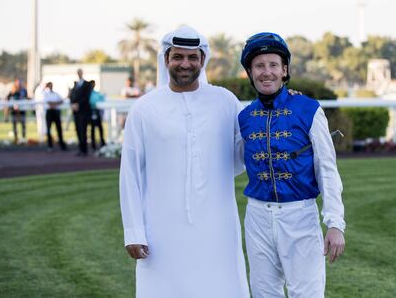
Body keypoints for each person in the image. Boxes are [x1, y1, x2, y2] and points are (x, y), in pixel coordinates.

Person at [119, 26, 249, 298]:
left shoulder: (225, 101)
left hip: (217, 224)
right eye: (177, 57)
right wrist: (133, 231)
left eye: (192, 57)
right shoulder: (144, 108)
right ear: (166, 60)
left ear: (203, 60)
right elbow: (130, 173)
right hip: (161, 227)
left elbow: (245, 152)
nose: (185, 64)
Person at [238, 32, 346, 298]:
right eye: (259, 66)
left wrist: (335, 223)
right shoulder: (244, 117)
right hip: (257, 218)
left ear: (284, 69)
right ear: (250, 72)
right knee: (264, 293)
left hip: (300, 216)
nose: (267, 72)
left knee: (306, 294)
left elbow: (327, 169)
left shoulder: (308, 109)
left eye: (273, 65)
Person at [69, 69, 92, 156]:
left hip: (84, 111)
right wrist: (72, 104)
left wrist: (78, 104)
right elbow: (72, 96)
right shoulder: (75, 84)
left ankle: (84, 150)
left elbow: (87, 97)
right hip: (76, 112)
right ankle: (80, 149)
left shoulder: (87, 84)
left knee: (83, 130)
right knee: (78, 130)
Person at [44, 82, 67, 151]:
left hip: (56, 112)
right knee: (48, 129)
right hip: (49, 113)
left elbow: (61, 101)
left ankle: (61, 145)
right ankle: (50, 145)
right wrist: (56, 103)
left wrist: (54, 104)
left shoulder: (55, 93)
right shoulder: (45, 93)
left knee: (59, 129)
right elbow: (48, 102)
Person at [5, 79, 28, 143]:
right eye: (17, 83)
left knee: (23, 125)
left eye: (19, 83)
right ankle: (16, 139)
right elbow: (7, 99)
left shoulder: (24, 90)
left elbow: (26, 98)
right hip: (14, 112)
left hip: (22, 111)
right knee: (14, 125)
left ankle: (23, 138)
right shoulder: (12, 91)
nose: (19, 84)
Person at [89, 80, 106, 151]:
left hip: (97, 111)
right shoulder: (88, 93)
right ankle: (93, 144)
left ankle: (102, 142)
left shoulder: (96, 93)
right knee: (92, 128)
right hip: (91, 112)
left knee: (100, 128)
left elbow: (102, 99)